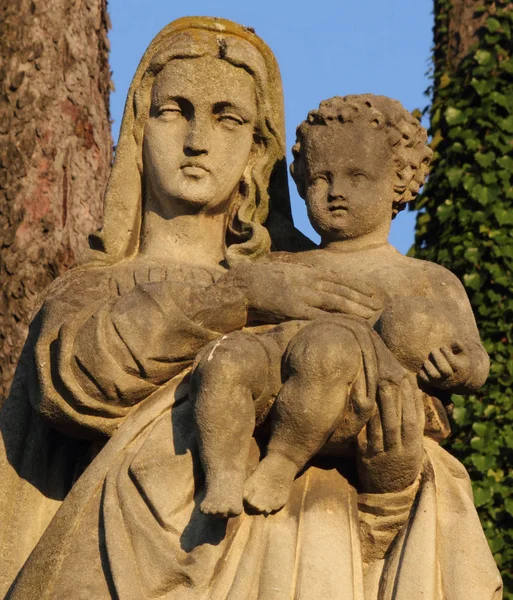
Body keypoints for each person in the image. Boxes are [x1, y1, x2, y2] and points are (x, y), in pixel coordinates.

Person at [1, 19, 502, 600]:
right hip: (119, 565)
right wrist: (237, 300)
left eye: (227, 117)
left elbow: (403, 403)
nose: (196, 140)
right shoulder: (97, 288)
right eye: (173, 111)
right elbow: (78, 383)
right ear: (139, 126)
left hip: (303, 557)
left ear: (257, 147)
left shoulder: (316, 282)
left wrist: (392, 464)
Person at [191, 94, 491, 518]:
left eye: (357, 177)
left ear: (399, 181)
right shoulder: (282, 262)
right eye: (320, 178)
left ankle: (282, 462)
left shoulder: (426, 278)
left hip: (350, 387)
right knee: (225, 362)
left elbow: (476, 360)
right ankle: (222, 472)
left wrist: (459, 366)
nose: (335, 192)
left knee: (327, 349)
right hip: (276, 374)